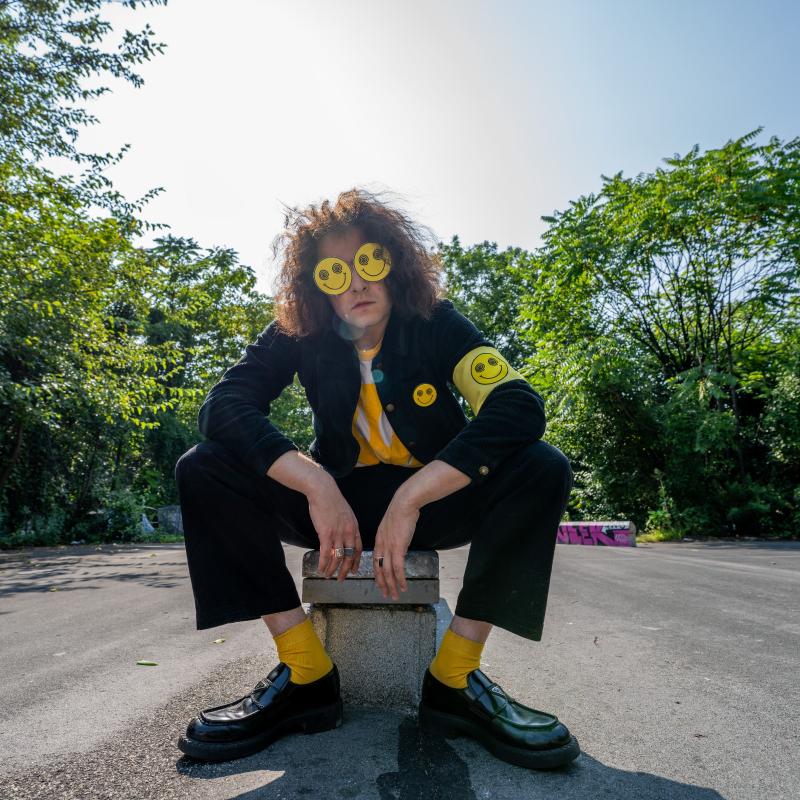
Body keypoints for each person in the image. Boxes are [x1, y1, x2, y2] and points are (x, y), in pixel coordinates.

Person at [174, 189, 580, 770]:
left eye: (370, 262)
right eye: (335, 273)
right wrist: (316, 484)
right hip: (334, 508)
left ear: (396, 264)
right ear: (317, 287)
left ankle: (455, 678)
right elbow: (223, 406)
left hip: (433, 503)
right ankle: (306, 672)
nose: (356, 284)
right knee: (203, 466)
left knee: (542, 464)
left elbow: (516, 405)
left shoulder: (436, 323)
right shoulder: (299, 333)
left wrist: (411, 497)